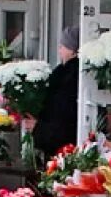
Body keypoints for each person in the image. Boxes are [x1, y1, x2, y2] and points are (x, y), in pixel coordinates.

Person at [32, 26, 80, 161]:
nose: (59, 50)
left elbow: (60, 113)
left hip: (62, 143)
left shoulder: (68, 77)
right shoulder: (64, 73)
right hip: (60, 138)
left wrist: (39, 128)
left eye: (62, 46)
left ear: (72, 50)